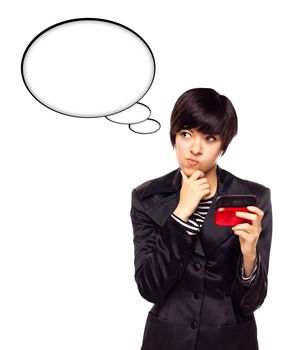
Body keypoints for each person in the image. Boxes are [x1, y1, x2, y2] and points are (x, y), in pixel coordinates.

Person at [130, 88, 272, 350]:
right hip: (167, 341)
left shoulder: (253, 197)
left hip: (230, 341)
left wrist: (250, 255)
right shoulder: (147, 198)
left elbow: (251, 302)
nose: (194, 149)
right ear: (174, 135)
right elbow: (150, 288)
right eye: (186, 134)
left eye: (209, 138)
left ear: (222, 145)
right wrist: (181, 213)